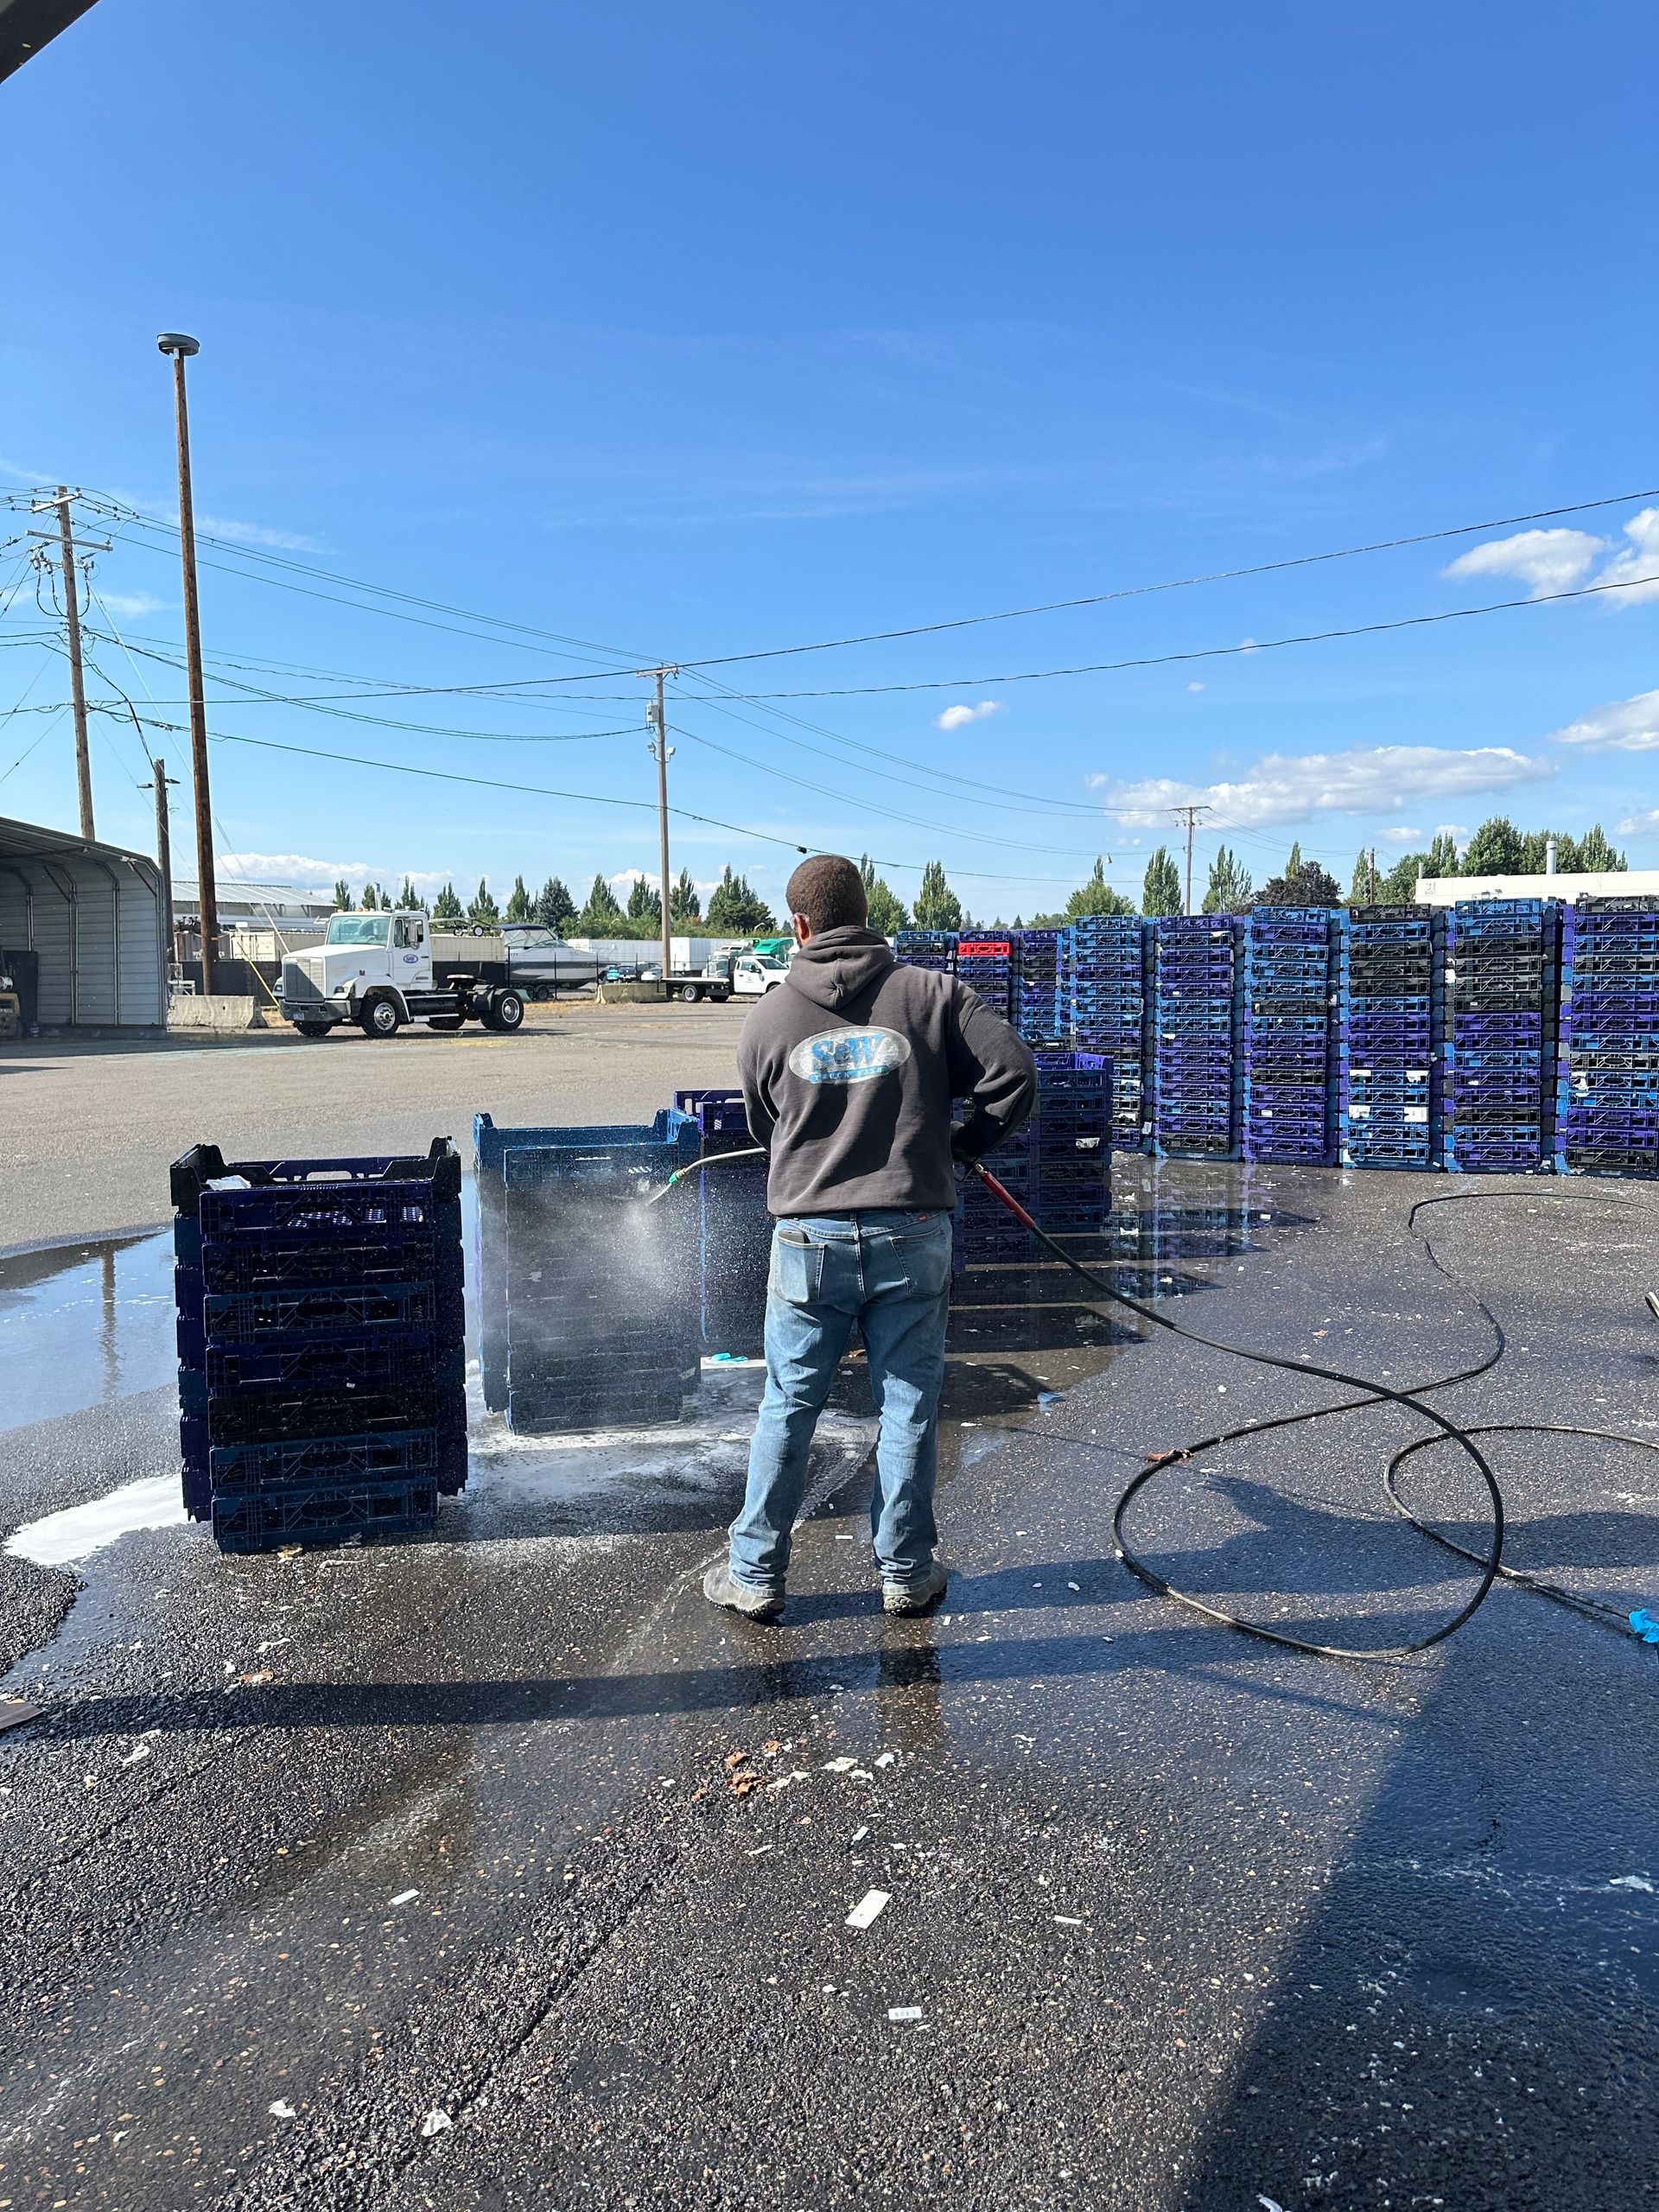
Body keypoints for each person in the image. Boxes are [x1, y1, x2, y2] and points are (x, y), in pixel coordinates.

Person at [703, 854, 1037, 1623]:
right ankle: (908, 1574)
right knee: (910, 1407)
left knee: (789, 1405)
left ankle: (754, 1576)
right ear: (867, 910)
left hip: (809, 1240)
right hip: (912, 1231)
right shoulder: (933, 993)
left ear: (799, 925)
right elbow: (1014, 1074)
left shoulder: (769, 1017)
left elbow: (767, 1128)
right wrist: (963, 1144)